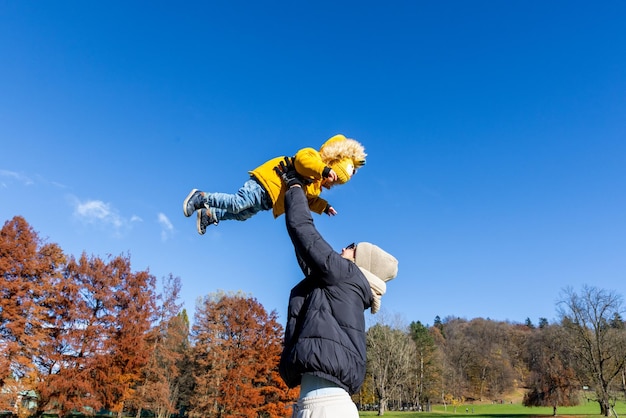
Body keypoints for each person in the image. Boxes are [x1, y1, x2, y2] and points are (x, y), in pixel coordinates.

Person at [275, 158, 398, 418]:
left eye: (351, 247)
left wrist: (295, 185)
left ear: (361, 261)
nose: (343, 248)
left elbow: (304, 233)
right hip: (323, 405)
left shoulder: (346, 276)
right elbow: (306, 251)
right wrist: (299, 197)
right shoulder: (344, 286)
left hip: (324, 408)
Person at [182, 134, 366, 234]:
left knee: (242, 215)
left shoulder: (314, 187)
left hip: (269, 200)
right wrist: (323, 170)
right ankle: (201, 197)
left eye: (333, 181)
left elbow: (307, 200)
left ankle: (210, 214)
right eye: (332, 174)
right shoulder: (313, 158)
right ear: (330, 163)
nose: (329, 180)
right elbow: (302, 162)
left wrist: (324, 207)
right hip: (265, 183)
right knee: (238, 203)